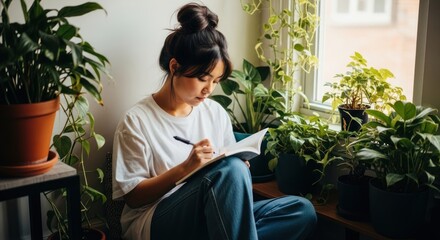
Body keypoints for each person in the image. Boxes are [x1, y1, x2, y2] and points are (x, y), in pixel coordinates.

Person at [112, 2, 317, 240]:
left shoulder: (215, 112)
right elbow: (133, 197)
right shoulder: (136, 121)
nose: (209, 89)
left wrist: (240, 169)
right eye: (202, 78)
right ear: (175, 66)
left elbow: (227, 176)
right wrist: (186, 168)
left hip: (211, 216)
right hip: (155, 221)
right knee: (228, 171)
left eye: (216, 80)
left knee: (301, 211)